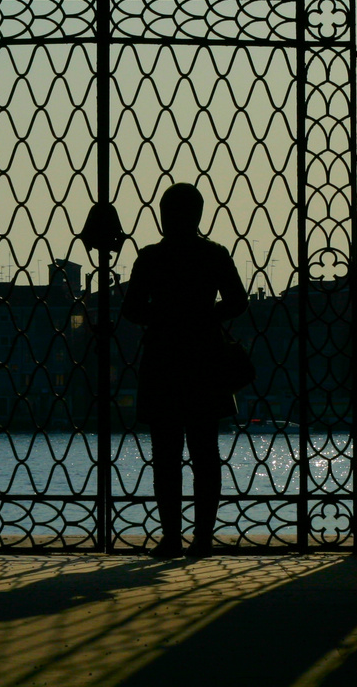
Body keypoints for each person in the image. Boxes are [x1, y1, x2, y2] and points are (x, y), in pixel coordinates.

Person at [120, 183, 248, 558]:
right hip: (205, 359)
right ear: (199, 215)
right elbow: (237, 301)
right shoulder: (214, 255)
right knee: (205, 453)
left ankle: (171, 537)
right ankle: (203, 538)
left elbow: (131, 309)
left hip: (163, 360)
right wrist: (206, 317)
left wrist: (163, 317)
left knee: (166, 456)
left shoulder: (151, 258)